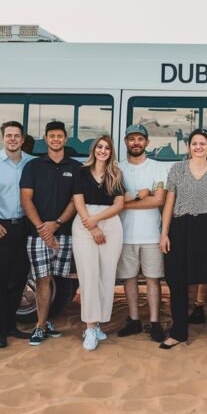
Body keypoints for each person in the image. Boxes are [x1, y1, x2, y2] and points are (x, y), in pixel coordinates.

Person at [159, 129, 207, 349]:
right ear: (188, 147)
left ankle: (206, 315)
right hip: (180, 227)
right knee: (176, 280)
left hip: (206, 228)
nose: (198, 147)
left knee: (202, 277)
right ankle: (178, 331)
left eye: (202, 144)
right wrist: (164, 233)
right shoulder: (177, 169)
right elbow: (169, 203)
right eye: (194, 143)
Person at [20, 121, 80, 346]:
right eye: (51, 136)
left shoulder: (74, 167)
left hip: (64, 232)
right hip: (37, 234)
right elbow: (26, 199)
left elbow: (76, 200)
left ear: (65, 139)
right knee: (42, 279)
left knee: (57, 279)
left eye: (60, 136)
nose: (56, 139)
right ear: (45, 139)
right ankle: (39, 326)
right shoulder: (33, 166)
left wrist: (55, 223)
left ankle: (46, 322)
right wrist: (42, 228)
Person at [0, 121, 34, 349]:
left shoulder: (32, 164)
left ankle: (11, 325)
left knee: (20, 277)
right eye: (8, 135)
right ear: (3, 138)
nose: (12, 139)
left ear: (23, 140)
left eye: (17, 136)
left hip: (24, 226)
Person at [72, 135, 126, 350]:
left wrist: (99, 220)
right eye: (99, 147)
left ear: (111, 152)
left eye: (107, 148)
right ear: (94, 149)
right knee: (88, 275)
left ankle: (99, 322)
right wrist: (92, 224)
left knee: (106, 275)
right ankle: (90, 327)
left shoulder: (116, 173)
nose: (103, 151)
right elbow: (78, 200)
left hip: (111, 224)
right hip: (85, 224)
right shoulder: (81, 172)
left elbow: (119, 203)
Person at [116, 124, 167, 342]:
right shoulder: (117, 168)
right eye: (131, 139)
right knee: (129, 279)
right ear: (126, 142)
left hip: (151, 235)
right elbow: (114, 200)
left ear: (147, 143)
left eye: (140, 139)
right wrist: (140, 195)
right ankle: (134, 320)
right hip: (124, 234)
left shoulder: (157, 167)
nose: (136, 143)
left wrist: (126, 201)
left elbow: (158, 200)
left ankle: (154, 323)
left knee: (153, 279)